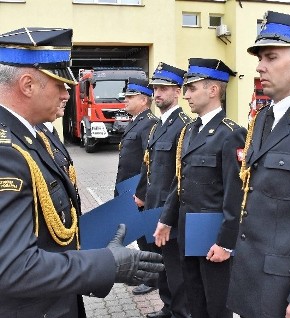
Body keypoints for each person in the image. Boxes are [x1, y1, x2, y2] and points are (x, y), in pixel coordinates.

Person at [0, 27, 163, 317]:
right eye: (60, 86)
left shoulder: (28, 137)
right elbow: (13, 267)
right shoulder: (7, 152)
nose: (67, 95)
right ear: (27, 85)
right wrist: (108, 265)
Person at [227, 11, 290, 318]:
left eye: (271, 57)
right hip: (250, 276)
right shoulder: (263, 118)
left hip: (287, 287)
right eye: (260, 58)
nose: (259, 66)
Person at [154, 58, 246, 318]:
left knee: (216, 306)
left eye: (192, 88)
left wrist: (226, 243)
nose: (186, 95)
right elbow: (179, 181)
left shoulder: (231, 134)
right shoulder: (190, 131)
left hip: (213, 237)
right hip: (188, 231)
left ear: (213, 90)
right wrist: (166, 219)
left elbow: (236, 194)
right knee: (194, 301)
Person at [135, 62, 191, 318]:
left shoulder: (184, 125)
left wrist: (167, 214)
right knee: (163, 266)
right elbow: (149, 167)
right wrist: (142, 197)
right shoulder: (157, 126)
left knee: (176, 269)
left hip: (171, 212)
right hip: (154, 208)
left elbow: (180, 176)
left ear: (177, 92)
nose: (157, 93)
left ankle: (180, 311)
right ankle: (168, 307)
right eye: (155, 88)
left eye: (164, 89)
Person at [114, 77, 157, 198]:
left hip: (135, 189)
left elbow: (149, 162)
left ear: (143, 100)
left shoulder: (149, 123)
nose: (125, 100)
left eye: (130, 97)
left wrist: (142, 194)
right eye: (126, 96)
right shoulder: (136, 121)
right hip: (126, 186)